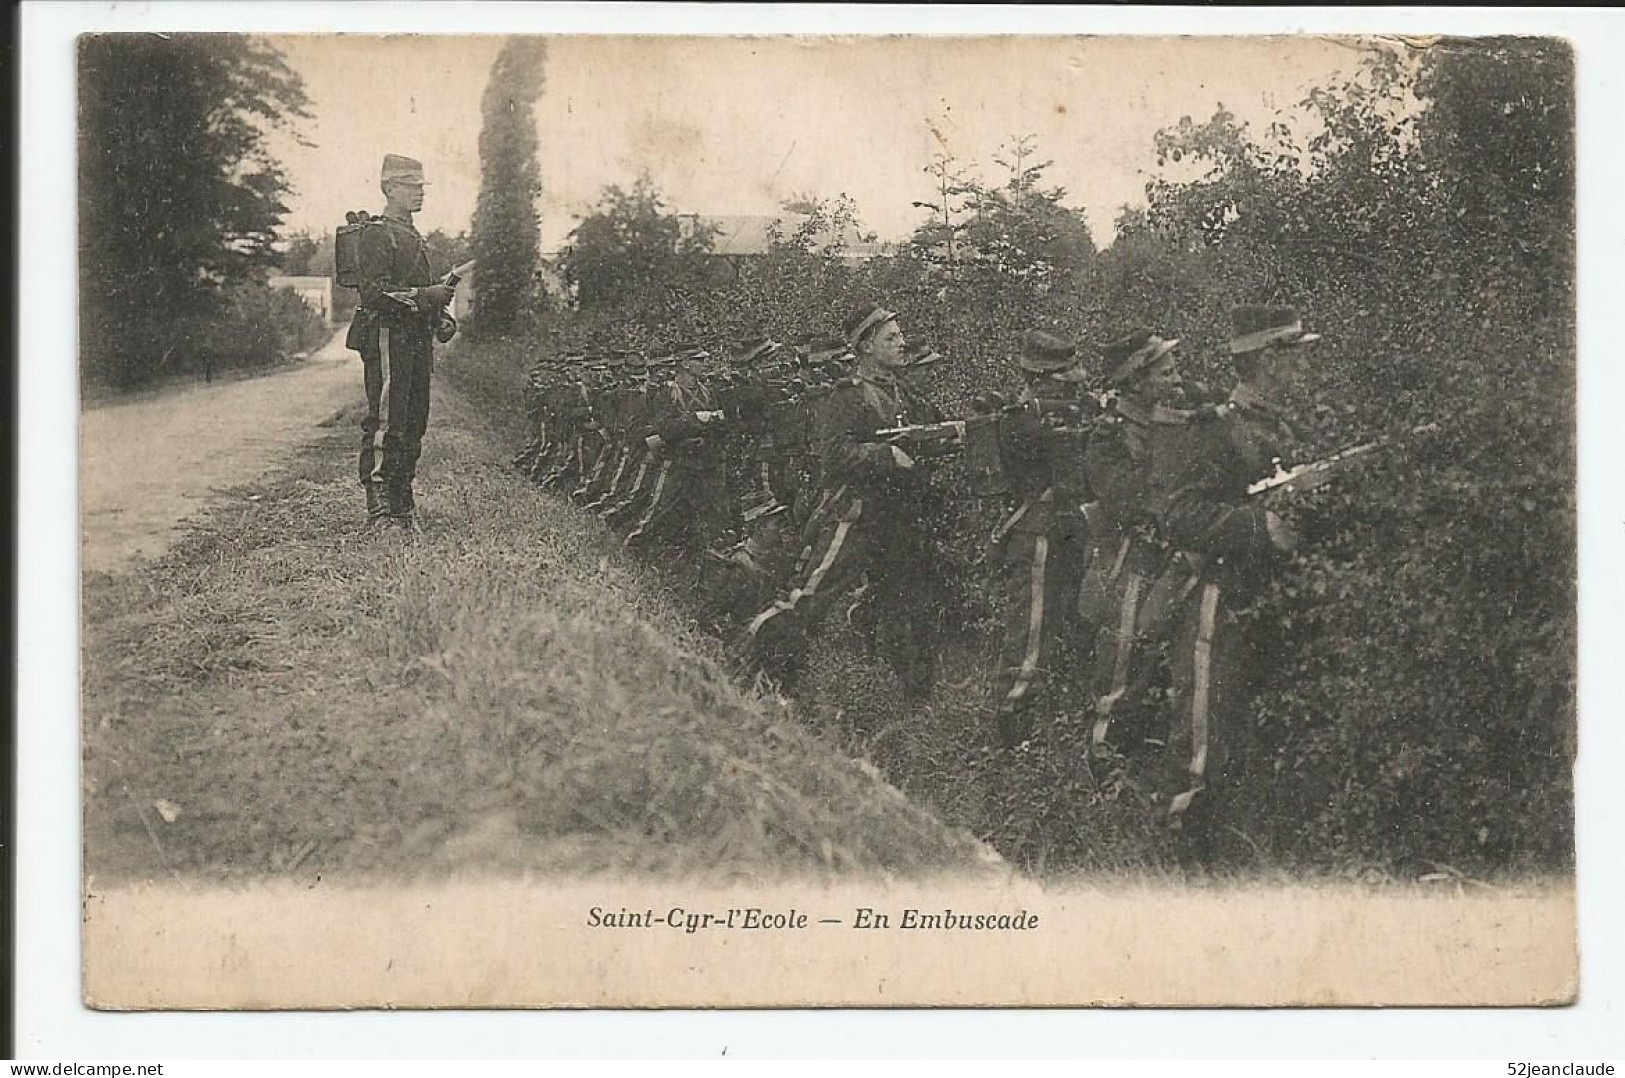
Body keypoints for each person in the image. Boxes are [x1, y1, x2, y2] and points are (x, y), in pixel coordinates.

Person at [1150, 305, 1320, 864]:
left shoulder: (1290, 425)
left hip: (1277, 598)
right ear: (1267, 361)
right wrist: (1259, 526)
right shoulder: (1212, 431)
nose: (1306, 366)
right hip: (1220, 601)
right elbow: (1178, 516)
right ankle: (1189, 863)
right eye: (1295, 354)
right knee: (1204, 740)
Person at [740, 303, 945, 702]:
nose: (902, 344)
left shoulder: (902, 392)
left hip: (897, 521)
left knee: (913, 608)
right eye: (892, 338)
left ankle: (916, 706)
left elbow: (925, 434)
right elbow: (833, 457)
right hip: (856, 516)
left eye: (901, 336)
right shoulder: (847, 396)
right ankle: (753, 672)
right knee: (809, 601)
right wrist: (885, 457)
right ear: (866, 346)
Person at [1078, 329, 1209, 756]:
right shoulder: (1110, 434)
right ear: (1137, 380)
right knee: (1122, 662)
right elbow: (1126, 500)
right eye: (1166, 372)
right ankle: (1104, 761)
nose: (1177, 379)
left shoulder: (1178, 413)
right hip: (1132, 563)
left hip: (1176, 560)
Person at [980, 329, 1104, 749]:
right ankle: (1010, 738)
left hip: (1065, 533)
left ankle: (1047, 724)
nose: (1075, 386)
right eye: (1064, 380)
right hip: (1038, 534)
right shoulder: (1021, 420)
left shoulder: (1052, 414)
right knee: (1029, 638)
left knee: (1068, 627)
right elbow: (1067, 473)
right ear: (1043, 378)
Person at [348, 154, 456, 529]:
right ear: (389, 188)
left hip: (415, 338)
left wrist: (440, 314)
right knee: (387, 419)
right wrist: (429, 296)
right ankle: (379, 506)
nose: (419, 194)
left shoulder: (413, 237)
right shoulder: (377, 233)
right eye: (411, 187)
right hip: (387, 336)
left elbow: (421, 293)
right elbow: (374, 294)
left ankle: (401, 500)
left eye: (420, 188)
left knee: (414, 420)